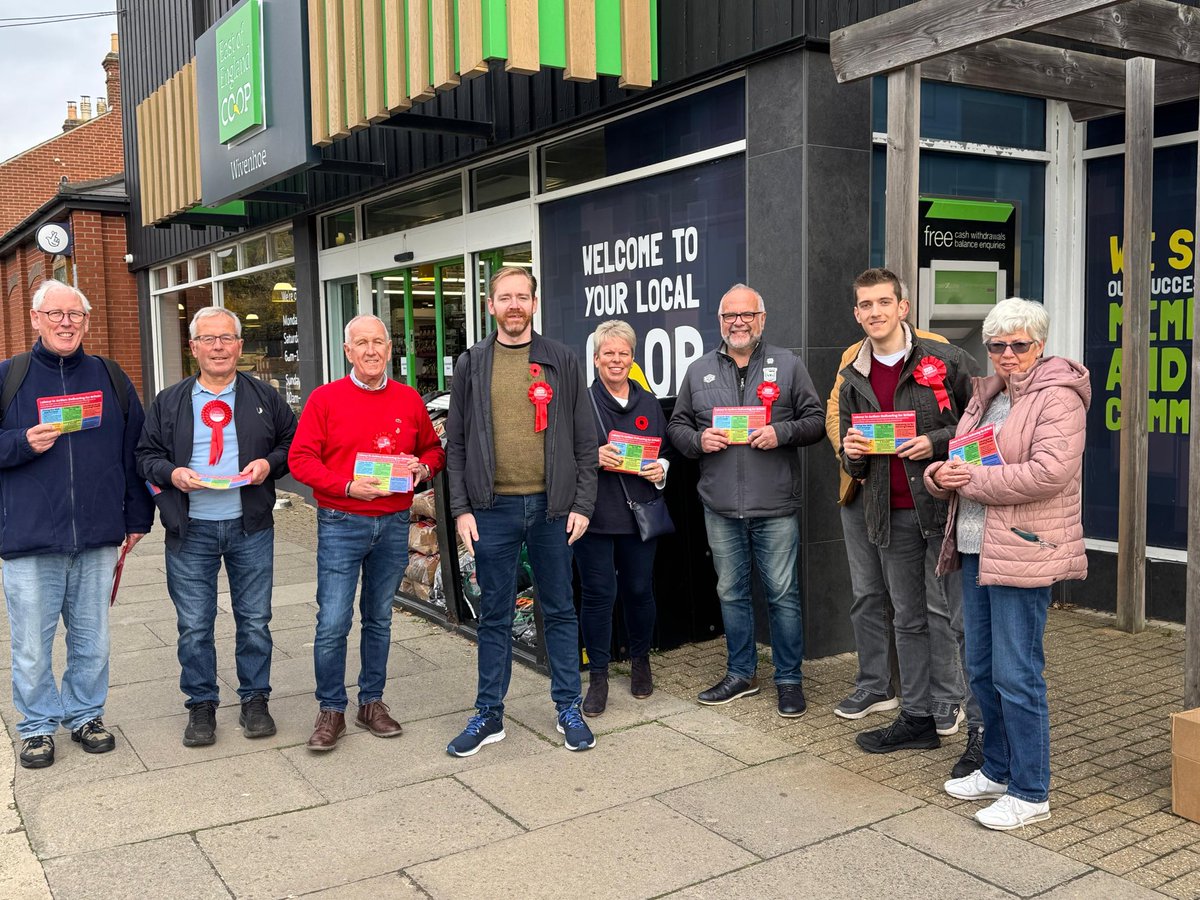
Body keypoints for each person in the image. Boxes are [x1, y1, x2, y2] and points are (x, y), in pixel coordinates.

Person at [926, 297, 1088, 831]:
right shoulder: (987, 395)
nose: (1008, 354)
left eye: (1020, 344)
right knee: (982, 669)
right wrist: (938, 477)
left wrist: (969, 481)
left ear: (1041, 345)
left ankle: (1031, 788)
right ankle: (996, 768)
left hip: (1023, 547)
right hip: (974, 545)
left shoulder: (1058, 398)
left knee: (1018, 673)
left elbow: (1049, 473)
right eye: (997, 345)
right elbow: (959, 457)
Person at [826, 275, 984, 777]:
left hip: (939, 508)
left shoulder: (948, 360)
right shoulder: (852, 373)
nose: (874, 312)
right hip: (886, 513)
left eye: (883, 302)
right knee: (906, 617)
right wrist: (850, 455)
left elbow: (980, 426)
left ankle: (958, 710)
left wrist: (935, 443)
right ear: (857, 314)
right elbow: (854, 455)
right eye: (865, 305)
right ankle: (915, 715)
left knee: (954, 619)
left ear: (903, 306)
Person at [0, 280, 153, 769]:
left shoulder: (109, 376)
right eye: (56, 313)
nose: (66, 322)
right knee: (30, 644)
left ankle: (86, 715)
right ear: (36, 318)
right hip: (30, 537)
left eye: (75, 315)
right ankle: (38, 726)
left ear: (86, 322)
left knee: (93, 639)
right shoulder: (10, 377)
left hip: (96, 534)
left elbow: (136, 453)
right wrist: (22, 442)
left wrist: (136, 517)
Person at [445, 266, 597, 756]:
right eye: (504, 297)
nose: (513, 305)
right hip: (492, 510)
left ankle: (567, 706)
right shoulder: (471, 363)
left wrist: (584, 504)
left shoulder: (562, 359)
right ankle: (489, 714)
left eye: (522, 297)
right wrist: (461, 509)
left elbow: (583, 439)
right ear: (490, 306)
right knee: (494, 614)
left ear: (535, 303)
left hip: (554, 510)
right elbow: (459, 443)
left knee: (559, 610)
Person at [137, 307, 297, 747]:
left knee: (255, 620)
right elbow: (144, 455)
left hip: (251, 527)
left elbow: (292, 443)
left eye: (227, 338)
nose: (219, 347)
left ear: (240, 346)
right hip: (191, 530)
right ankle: (201, 705)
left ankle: (255, 701)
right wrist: (172, 474)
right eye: (208, 339)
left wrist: (269, 463)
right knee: (193, 624)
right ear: (194, 348)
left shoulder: (265, 396)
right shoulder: (169, 401)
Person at [667, 283, 824, 717]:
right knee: (731, 593)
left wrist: (782, 432)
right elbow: (677, 428)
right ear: (720, 321)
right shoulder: (699, 371)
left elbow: (816, 422)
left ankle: (789, 680)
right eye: (729, 316)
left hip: (774, 505)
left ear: (762, 318)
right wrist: (699, 439)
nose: (738, 322)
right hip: (719, 506)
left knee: (783, 595)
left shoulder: (788, 365)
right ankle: (741, 674)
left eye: (747, 315)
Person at [289, 314, 444, 752]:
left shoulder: (409, 399)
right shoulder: (325, 399)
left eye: (379, 342)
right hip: (342, 521)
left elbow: (432, 449)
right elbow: (301, 460)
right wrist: (346, 486)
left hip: (394, 522)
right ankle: (331, 709)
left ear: (390, 349)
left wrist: (424, 467)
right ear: (347, 352)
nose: (371, 350)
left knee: (378, 618)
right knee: (333, 620)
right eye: (362, 343)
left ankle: (371, 702)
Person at [576, 320, 671, 716]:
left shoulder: (648, 402)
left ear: (633, 359)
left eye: (623, 354)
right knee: (598, 597)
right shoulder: (581, 403)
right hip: (593, 516)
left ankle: (640, 661)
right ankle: (597, 676)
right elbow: (560, 454)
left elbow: (665, 449)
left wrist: (661, 468)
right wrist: (591, 457)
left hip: (639, 515)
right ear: (596, 359)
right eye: (608, 354)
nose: (616, 360)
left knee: (638, 591)